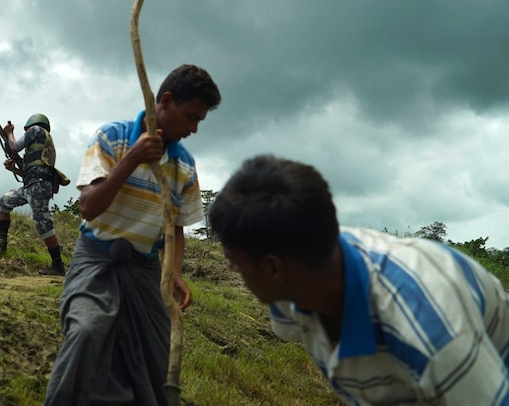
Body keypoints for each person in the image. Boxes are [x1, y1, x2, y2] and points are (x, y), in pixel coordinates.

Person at [208, 154, 509, 406]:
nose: (231, 267)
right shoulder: (294, 286)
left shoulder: (432, 333)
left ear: (274, 268)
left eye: (234, 257)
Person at [44, 64, 222, 405]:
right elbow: (89, 207)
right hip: (96, 262)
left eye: (199, 120)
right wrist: (134, 158)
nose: (194, 128)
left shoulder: (183, 165)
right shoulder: (112, 138)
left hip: (145, 271)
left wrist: (174, 272)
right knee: (86, 332)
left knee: (157, 362)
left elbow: (176, 228)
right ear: (165, 101)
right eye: (190, 117)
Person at [0, 113, 66, 276]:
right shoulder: (38, 146)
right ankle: (1, 242)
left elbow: (14, 147)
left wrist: (9, 133)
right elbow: (28, 174)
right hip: (31, 185)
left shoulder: (37, 130)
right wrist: (14, 169)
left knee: (43, 223)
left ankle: (58, 265)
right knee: (3, 202)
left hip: (39, 185)